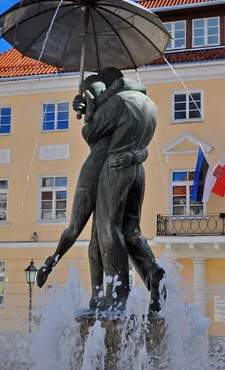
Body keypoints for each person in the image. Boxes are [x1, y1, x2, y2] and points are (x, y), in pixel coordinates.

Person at [36, 74, 148, 309]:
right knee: (104, 235)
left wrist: (88, 112)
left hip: (96, 172)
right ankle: (100, 294)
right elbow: (141, 148)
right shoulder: (121, 111)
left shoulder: (105, 116)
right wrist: (87, 107)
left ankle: (57, 266)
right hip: (120, 171)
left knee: (84, 230)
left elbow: (91, 132)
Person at [81, 67, 165, 313]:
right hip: (137, 167)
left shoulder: (117, 101)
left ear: (107, 86)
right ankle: (152, 271)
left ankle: (117, 294)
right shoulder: (149, 104)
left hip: (116, 167)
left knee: (109, 227)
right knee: (131, 229)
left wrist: (90, 108)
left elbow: (91, 133)